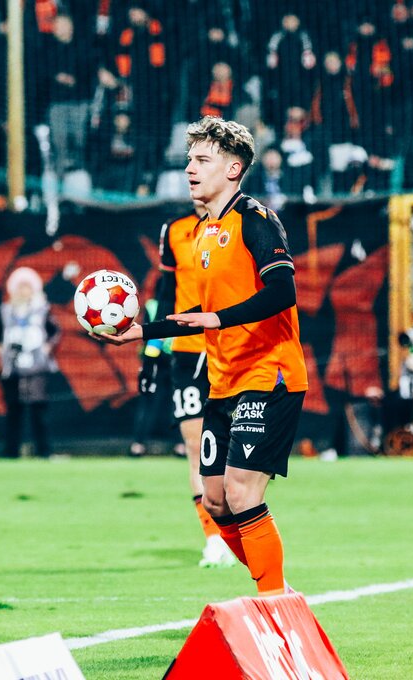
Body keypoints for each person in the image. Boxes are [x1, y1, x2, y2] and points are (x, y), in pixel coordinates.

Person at [100, 116, 308, 596]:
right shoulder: (203, 232)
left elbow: (283, 291)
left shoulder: (254, 219)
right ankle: (275, 588)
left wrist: (218, 319)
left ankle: (274, 602)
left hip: (269, 375)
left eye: (202, 160)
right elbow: (201, 313)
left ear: (233, 168)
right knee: (215, 501)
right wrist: (144, 332)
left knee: (241, 491)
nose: (189, 169)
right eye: (189, 160)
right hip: (224, 381)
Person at [154, 200, 237, 568]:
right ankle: (214, 538)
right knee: (195, 446)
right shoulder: (173, 230)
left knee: (234, 451)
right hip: (187, 351)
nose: (194, 179)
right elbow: (166, 291)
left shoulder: (243, 223)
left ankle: (238, 528)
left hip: (231, 347)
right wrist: (153, 351)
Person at [0, 267, 60, 459]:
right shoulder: (6, 311)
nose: (24, 292)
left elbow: (55, 332)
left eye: (27, 287)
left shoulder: (42, 310)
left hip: (36, 366)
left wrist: (48, 348)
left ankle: (44, 451)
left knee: (39, 410)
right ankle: (11, 452)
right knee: (13, 411)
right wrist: (0, 353)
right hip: (13, 367)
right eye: (20, 287)